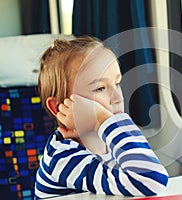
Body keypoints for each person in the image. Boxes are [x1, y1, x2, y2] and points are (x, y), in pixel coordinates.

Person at [34, 36, 169, 199]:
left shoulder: (108, 137)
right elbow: (150, 180)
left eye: (117, 84)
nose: (118, 97)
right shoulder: (62, 157)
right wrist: (102, 118)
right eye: (99, 88)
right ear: (59, 107)